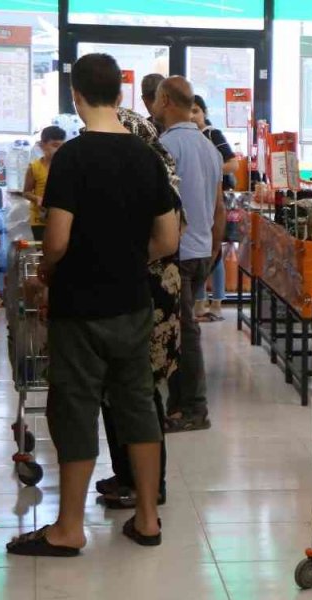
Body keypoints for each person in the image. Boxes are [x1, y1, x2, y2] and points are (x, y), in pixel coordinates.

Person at [6, 53, 179, 556]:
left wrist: (46, 274)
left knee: (76, 408)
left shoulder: (72, 159)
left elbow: (56, 240)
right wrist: (129, 257)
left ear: (76, 96)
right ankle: (147, 519)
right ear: (121, 95)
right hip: (132, 303)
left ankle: (68, 528)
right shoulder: (147, 158)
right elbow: (167, 238)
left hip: (80, 306)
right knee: (138, 405)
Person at [96, 106, 184, 510]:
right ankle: (125, 472)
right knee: (116, 390)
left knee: (140, 392)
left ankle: (150, 483)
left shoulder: (154, 175)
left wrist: (121, 261)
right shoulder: (139, 171)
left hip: (148, 293)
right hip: (132, 288)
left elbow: (166, 241)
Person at [157, 77, 225, 432]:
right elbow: (219, 205)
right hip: (201, 252)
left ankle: (195, 408)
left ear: (165, 101)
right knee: (183, 327)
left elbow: (161, 207)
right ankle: (178, 404)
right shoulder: (208, 146)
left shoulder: (166, 146)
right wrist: (214, 247)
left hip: (177, 254)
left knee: (184, 331)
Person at [191, 94, 236, 322]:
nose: (192, 116)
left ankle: (217, 301)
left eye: (196, 110)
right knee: (198, 251)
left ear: (205, 112)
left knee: (215, 252)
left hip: (216, 201)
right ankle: (199, 302)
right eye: (189, 111)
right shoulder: (187, 138)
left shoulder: (213, 135)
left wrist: (210, 170)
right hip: (196, 201)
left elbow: (233, 163)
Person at [21, 125, 66, 240]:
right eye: (55, 145)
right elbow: (26, 192)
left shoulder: (68, 168)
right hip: (39, 220)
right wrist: (37, 199)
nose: (59, 150)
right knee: (42, 252)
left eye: (62, 146)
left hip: (62, 218)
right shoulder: (34, 167)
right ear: (42, 145)